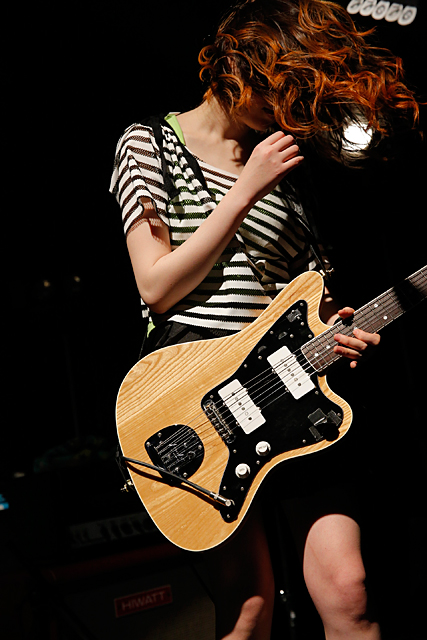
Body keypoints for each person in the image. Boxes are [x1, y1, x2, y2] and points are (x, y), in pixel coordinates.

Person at [110, 1, 419, 638]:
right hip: (195, 393)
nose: (283, 111)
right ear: (239, 69)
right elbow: (156, 286)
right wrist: (245, 188)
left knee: (349, 590)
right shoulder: (149, 143)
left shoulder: (282, 163)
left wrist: (334, 330)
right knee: (249, 605)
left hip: (288, 390)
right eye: (276, 91)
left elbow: (299, 292)